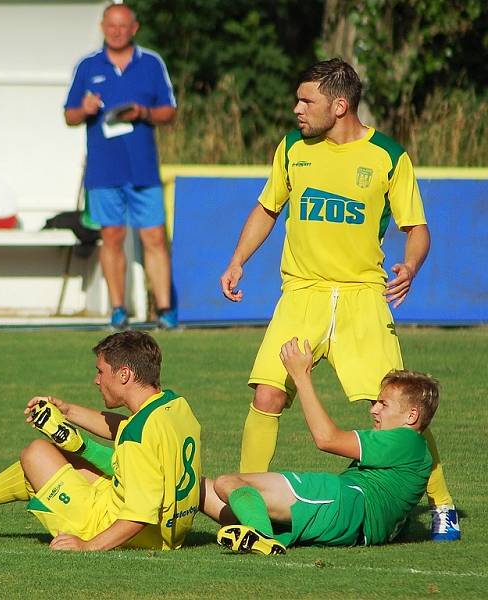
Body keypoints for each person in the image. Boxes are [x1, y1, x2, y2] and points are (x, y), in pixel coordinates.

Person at [218, 58, 458, 541]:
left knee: (392, 406)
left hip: (361, 298)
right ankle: (239, 500)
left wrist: (410, 265)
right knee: (266, 395)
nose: (296, 108)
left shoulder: (389, 155)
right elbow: (267, 208)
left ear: (340, 104)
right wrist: (238, 259)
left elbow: (417, 229)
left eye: (307, 100)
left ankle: (443, 506)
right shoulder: (292, 148)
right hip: (301, 294)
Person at [0, 330, 202, 551]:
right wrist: (67, 409)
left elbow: (139, 515)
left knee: (37, 453)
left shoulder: (136, 438)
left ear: (125, 374)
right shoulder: (173, 405)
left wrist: (88, 545)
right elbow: (129, 428)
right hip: (172, 526)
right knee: (61, 459)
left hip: (135, 533)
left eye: (101, 371)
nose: (96, 380)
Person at [201, 337, 439, 554]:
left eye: (383, 404)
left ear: (412, 416)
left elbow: (326, 438)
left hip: (346, 502)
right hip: (348, 521)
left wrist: (301, 376)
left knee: (228, 483)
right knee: (199, 489)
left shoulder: (406, 440)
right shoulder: (415, 453)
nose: (373, 409)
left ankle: (261, 536)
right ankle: (260, 533)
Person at [64, 3, 178, 329]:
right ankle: (118, 309)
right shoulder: (88, 66)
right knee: (111, 237)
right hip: (103, 172)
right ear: (102, 27)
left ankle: (165, 310)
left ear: (135, 28)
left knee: (154, 238)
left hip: (143, 169)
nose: (116, 31)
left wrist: (144, 113)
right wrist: (83, 108)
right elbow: (69, 115)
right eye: (111, 26)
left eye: (123, 26)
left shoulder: (152, 63)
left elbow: (169, 112)